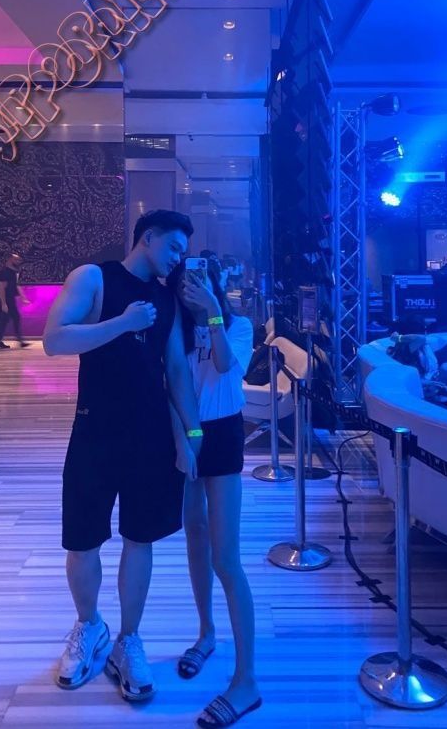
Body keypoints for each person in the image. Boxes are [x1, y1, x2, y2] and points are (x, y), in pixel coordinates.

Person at [43, 209, 202, 704]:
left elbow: (176, 369)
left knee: (141, 537)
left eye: (183, 252)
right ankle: (89, 625)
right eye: (173, 247)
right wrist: (123, 323)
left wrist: (192, 431)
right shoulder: (94, 278)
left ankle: (128, 639)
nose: (177, 258)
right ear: (147, 237)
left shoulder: (167, 299)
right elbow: (54, 339)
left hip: (150, 434)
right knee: (82, 541)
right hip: (95, 428)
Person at [168, 259, 260, 728]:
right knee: (195, 536)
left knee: (227, 558)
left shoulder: (238, 325)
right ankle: (206, 633)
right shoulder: (174, 329)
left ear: (217, 282)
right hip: (187, 431)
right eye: (187, 280)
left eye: (202, 278)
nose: (193, 286)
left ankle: (246, 680)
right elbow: (169, 385)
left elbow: (225, 365)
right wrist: (182, 438)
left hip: (223, 433)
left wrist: (213, 313)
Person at [0, 252, 31, 349]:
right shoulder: (4, 272)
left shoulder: (14, 272)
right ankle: (19, 340)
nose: (18, 261)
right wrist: (3, 303)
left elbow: (16, 285)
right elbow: (1, 288)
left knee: (6, 320)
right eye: (16, 259)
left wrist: (23, 298)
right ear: (9, 259)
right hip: (6, 299)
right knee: (13, 318)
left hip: (11, 299)